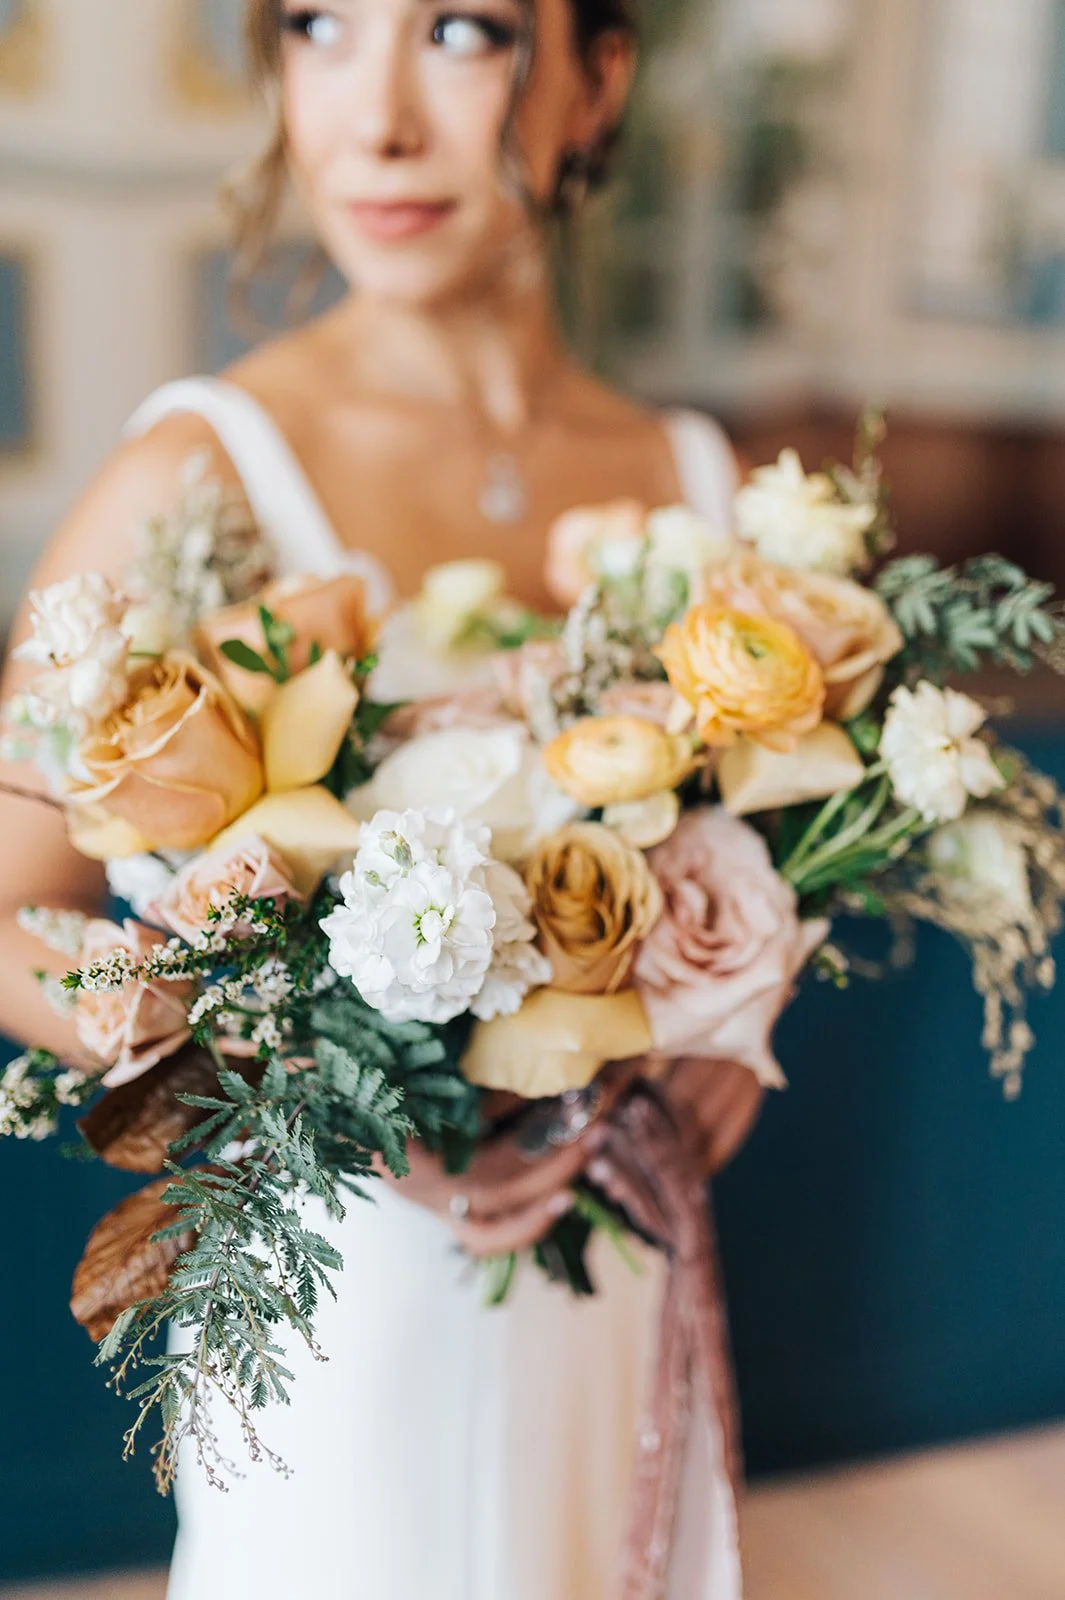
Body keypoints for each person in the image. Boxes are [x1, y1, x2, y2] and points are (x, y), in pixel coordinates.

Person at [0, 1, 764, 1594]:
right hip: (334, 1309)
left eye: (466, 30)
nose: (377, 117)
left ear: (597, 76)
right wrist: (284, 1064)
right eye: (322, 26)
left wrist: (735, 1035)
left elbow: (741, 860)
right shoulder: (200, 473)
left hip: (605, 1271)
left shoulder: (696, 481)